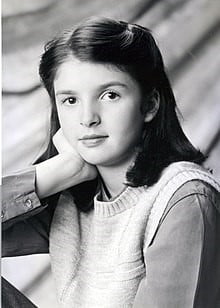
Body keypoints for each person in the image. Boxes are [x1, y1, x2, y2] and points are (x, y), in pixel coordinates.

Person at [2, 17, 220, 308]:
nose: (88, 118)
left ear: (150, 104)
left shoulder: (184, 200)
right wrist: (62, 170)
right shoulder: (71, 196)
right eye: (70, 100)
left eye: (110, 95)